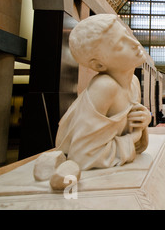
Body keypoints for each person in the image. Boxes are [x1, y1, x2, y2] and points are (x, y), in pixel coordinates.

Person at [55, 14, 151, 170]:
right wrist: (133, 137)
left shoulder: (133, 82)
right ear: (99, 65)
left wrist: (143, 120)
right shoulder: (105, 87)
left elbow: (118, 133)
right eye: (120, 44)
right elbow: (81, 156)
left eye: (127, 34)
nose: (134, 43)